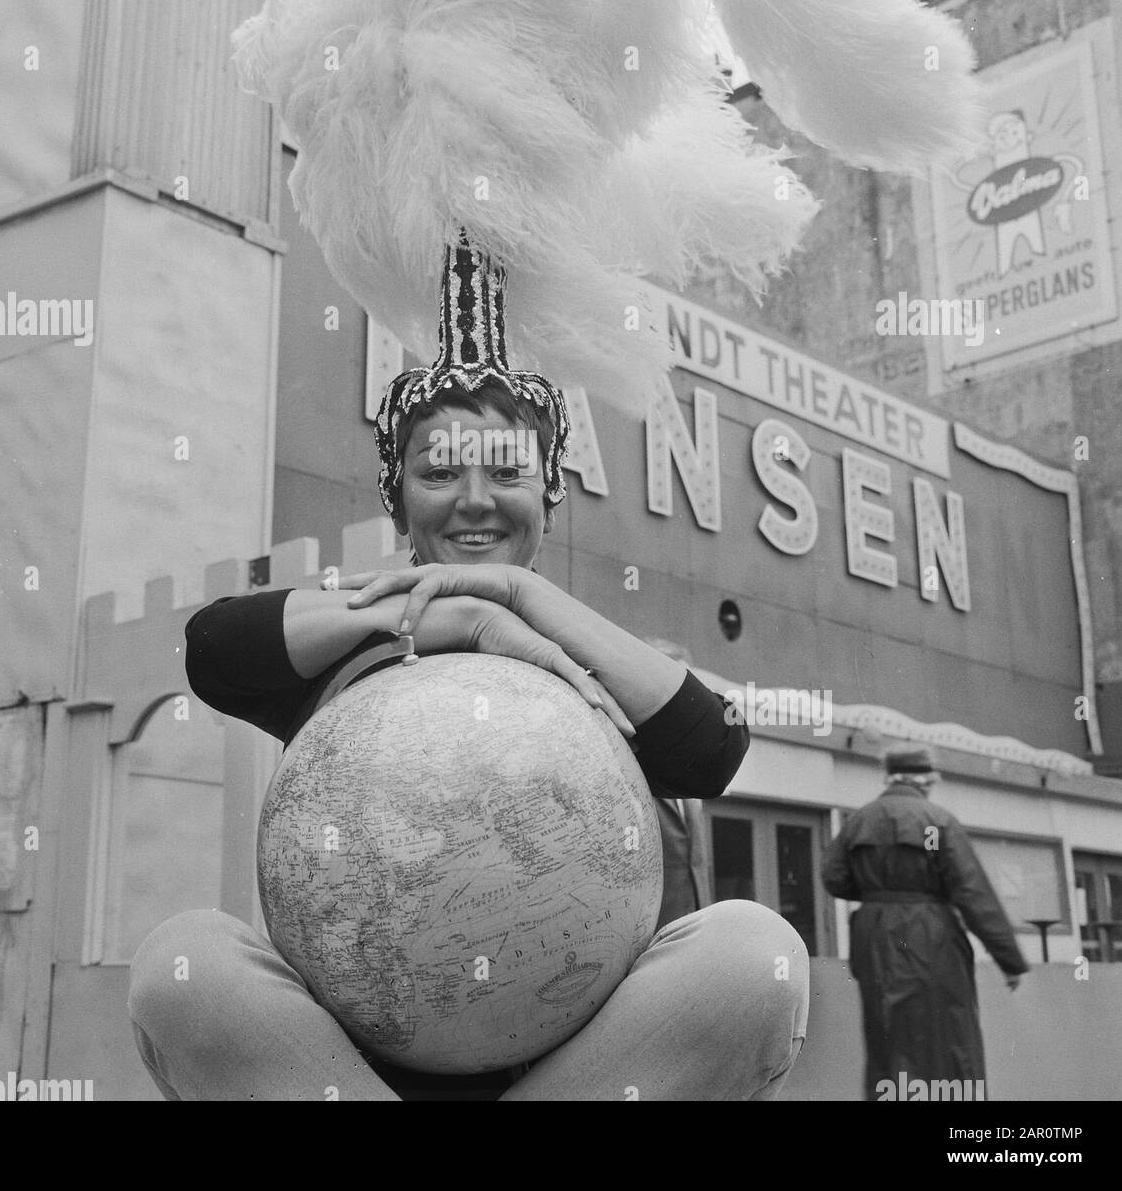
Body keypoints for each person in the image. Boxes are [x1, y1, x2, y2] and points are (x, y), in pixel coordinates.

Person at [127, 242, 809, 1102]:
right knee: (185, 962)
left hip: (576, 1073)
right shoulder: (346, 650)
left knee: (753, 954)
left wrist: (520, 594)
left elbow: (712, 749)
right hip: (359, 1078)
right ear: (397, 494)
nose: (475, 499)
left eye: (508, 472)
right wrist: (453, 615)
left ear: (550, 491)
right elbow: (214, 648)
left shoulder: (583, 663)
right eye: (440, 471)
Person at [821, 746, 1029, 1102]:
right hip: (930, 937)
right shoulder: (938, 820)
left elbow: (834, 878)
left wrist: (878, 893)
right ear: (926, 780)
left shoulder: (858, 821)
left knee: (887, 1037)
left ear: (890, 777)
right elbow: (973, 893)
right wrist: (1010, 961)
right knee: (946, 1037)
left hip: (874, 937)